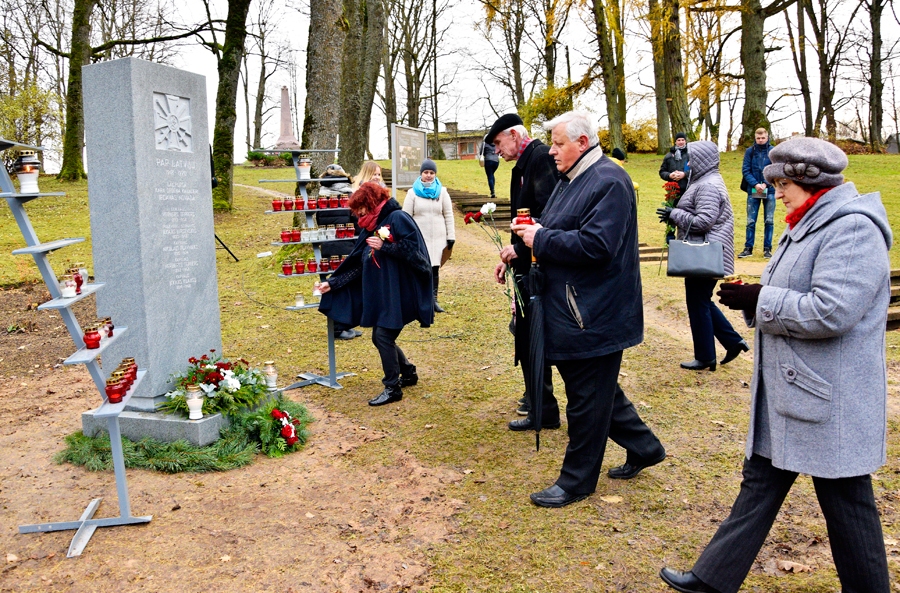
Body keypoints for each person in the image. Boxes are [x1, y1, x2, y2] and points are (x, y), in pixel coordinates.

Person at [660, 138, 892, 593]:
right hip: (793, 390)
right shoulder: (807, 221)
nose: (776, 192)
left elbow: (832, 311)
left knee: (848, 502)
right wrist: (754, 295)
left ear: (812, 182)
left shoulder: (852, 229)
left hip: (829, 398)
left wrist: (761, 299)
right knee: (760, 485)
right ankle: (711, 580)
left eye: (784, 184)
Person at [511, 110, 666, 508]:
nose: (551, 151)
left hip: (595, 312)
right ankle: (645, 447)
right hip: (575, 308)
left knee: (586, 399)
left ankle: (577, 481)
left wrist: (539, 238)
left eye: (558, 144)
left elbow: (597, 246)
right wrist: (521, 247)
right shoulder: (573, 178)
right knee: (596, 391)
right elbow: (558, 227)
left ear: (583, 143)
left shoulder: (609, 181)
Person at [316, 182, 434, 406]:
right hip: (385, 294)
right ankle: (408, 372)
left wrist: (385, 246)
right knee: (381, 336)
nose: (358, 214)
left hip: (402, 293)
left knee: (382, 336)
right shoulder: (371, 225)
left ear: (371, 203)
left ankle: (392, 388)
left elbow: (417, 256)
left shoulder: (398, 218)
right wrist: (333, 283)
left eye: (360, 208)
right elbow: (359, 263)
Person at [485, 112, 558, 424]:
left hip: (539, 266)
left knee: (532, 336)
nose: (496, 151)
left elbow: (550, 215)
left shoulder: (540, 159)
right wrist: (511, 255)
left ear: (514, 135)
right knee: (527, 335)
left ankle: (542, 407)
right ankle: (538, 400)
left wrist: (519, 251)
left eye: (498, 143)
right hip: (527, 263)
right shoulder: (525, 163)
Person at [656, 141, 749, 372]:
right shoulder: (704, 181)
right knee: (701, 300)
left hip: (704, 254)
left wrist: (675, 214)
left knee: (698, 302)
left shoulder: (708, 185)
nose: (687, 164)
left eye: (691, 159)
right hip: (706, 253)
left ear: (702, 160)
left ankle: (706, 357)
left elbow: (704, 221)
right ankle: (733, 342)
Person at [401, 159, 455, 313]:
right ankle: (419, 300)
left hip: (438, 238)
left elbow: (448, 214)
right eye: (426, 172)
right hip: (420, 238)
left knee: (434, 269)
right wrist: (406, 238)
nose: (429, 175)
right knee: (420, 269)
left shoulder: (442, 192)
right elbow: (405, 217)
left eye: (432, 173)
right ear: (421, 174)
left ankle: (433, 300)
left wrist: (451, 236)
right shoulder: (412, 193)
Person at [317, 164, 361, 341]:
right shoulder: (349, 197)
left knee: (335, 284)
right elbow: (356, 223)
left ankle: (344, 325)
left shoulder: (322, 197)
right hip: (347, 245)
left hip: (328, 245)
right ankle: (338, 328)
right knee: (345, 287)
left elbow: (319, 221)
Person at [738, 128, 776, 259]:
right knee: (750, 221)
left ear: (767, 137)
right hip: (753, 190)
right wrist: (755, 184)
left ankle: (767, 249)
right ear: (755, 138)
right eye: (758, 138)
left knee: (769, 221)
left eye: (763, 138)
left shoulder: (772, 151)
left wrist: (765, 183)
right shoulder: (750, 151)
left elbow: (774, 170)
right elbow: (746, 170)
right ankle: (748, 248)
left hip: (769, 190)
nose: (760, 140)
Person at [659, 132, 689, 198]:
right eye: (679, 140)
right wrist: (669, 175)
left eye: (683, 140)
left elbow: (696, 170)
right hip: (673, 190)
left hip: (688, 189)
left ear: (685, 141)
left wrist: (684, 174)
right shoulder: (669, 156)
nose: (681, 142)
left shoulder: (690, 154)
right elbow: (662, 172)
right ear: (675, 142)